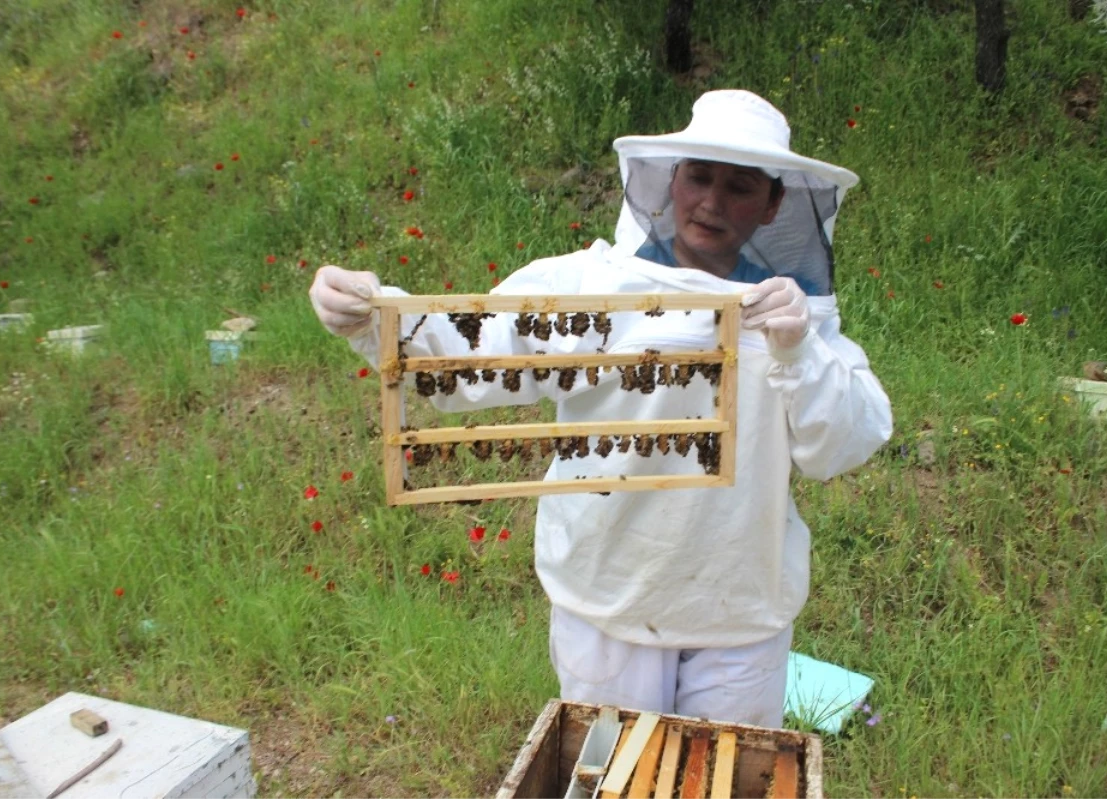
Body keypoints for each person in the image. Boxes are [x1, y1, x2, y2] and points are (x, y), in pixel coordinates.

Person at [309, 90, 892, 728]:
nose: (712, 203)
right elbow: (468, 351)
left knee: (724, 776)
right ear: (671, 181)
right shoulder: (587, 288)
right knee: (612, 776)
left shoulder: (796, 318)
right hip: (607, 591)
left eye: (741, 186)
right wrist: (376, 311)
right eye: (699, 176)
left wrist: (798, 351)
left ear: (775, 204)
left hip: (738, 606)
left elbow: (844, 442)